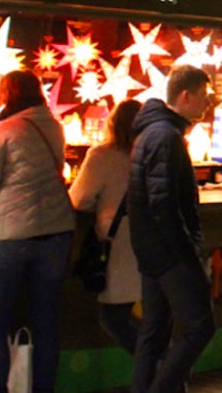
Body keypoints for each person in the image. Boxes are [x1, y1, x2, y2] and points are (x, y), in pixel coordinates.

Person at [0, 70, 76, 393]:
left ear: (6, 94)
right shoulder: (54, 126)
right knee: (45, 324)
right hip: (55, 234)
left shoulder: (2, 129)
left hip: (9, 237)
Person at [129, 64, 217, 393]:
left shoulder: (153, 132)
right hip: (169, 252)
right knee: (200, 325)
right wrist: (188, 253)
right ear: (185, 95)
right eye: (204, 97)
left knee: (154, 332)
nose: (208, 104)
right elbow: (163, 203)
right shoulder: (165, 136)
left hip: (151, 250)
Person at [70, 99, 143, 353]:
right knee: (148, 317)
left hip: (120, 244)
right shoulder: (156, 155)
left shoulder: (102, 155)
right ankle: (162, 374)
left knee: (113, 317)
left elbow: (79, 199)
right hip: (153, 242)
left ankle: (162, 370)